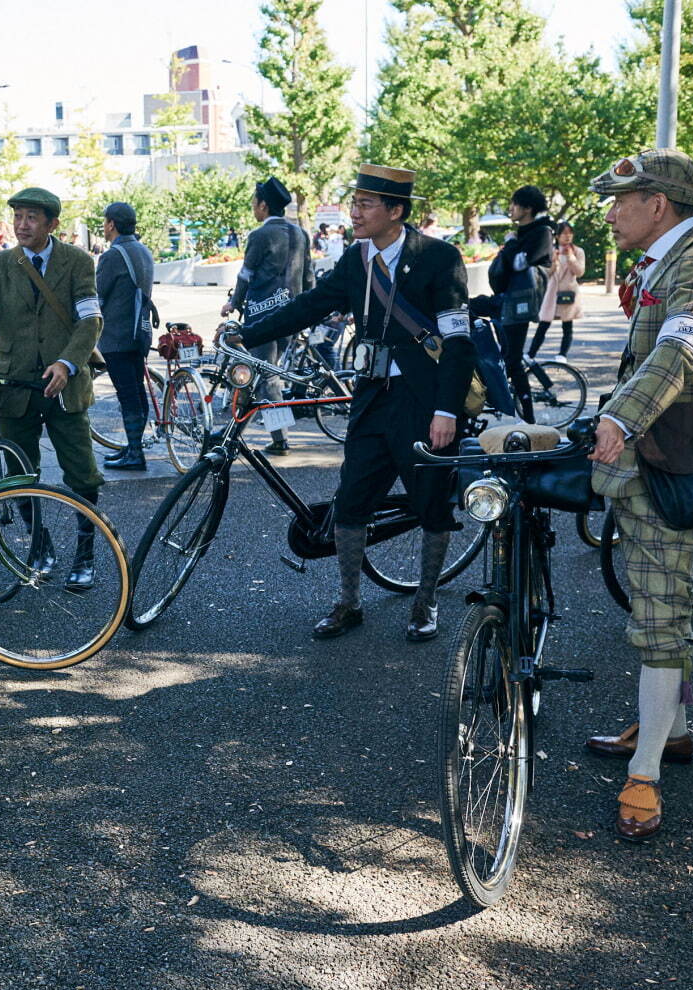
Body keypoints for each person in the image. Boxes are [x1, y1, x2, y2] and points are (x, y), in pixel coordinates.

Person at [225, 164, 476, 643]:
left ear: (396, 211)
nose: (353, 213)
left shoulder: (439, 258)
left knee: (431, 503)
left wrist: (447, 410)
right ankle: (348, 601)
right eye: (354, 203)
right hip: (371, 396)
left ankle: (426, 600)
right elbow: (310, 305)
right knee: (352, 501)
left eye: (365, 205)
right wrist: (246, 334)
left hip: (424, 402)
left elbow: (459, 341)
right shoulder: (357, 260)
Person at [583, 148, 693, 841]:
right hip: (665, 456)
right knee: (666, 600)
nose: (611, 213)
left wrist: (621, 414)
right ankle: (669, 729)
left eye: (622, 201)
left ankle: (644, 772)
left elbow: (678, 348)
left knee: (657, 614)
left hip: (670, 462)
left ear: (658, 205)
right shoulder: (677, 256)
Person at [0, 187, 105, 589]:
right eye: (18, 216)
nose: (22, 224)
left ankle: (85, 554)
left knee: (83, 475)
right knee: (19, 474)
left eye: (32, 217)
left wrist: (68, 363)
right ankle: (40, 547)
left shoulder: (78, 262)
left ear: (52, 224)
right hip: (13, 387)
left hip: (64, 388)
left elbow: (90, 320)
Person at [221, 176, 314, 454]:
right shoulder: (300, 234)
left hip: (263, 317)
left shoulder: (260, 235)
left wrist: (233, 303)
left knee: (268, 377)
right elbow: (308, 275)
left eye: (254, 202)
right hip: (293, 315)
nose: (253, 206)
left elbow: (246, 275)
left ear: (263, 205)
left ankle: (280, 438)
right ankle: (231, 432)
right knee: (254, 375)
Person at [481, 185, 553, 422]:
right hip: (507, 300)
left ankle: (527, 416)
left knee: (512, 360)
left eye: (514, 204)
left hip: (521, 304)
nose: (510, 209)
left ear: (528, 208)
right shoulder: (522, 234)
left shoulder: (541, 232)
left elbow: (520, 263)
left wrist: (510, 244)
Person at [95, 201, 155, 470]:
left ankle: (135, 454)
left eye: (106, 222)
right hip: (138, 334)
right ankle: (133, 448)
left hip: (116, 336)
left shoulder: (113, 255)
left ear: (112, 224)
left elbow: (98, 295)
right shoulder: (143, 250)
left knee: (128, 396)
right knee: (136, 393)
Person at [529, 221, 585, 362]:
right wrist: (553, 263)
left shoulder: (578, 251)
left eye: (570, 233)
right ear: (557, 236)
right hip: (552, 293)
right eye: (564, 233)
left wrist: (571, 257)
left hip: (569, 292)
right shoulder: (550, 251)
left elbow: (579, 272)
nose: (567, 236)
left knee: (567, 325)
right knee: (544, 324)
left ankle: (562, 355)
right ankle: (530, 354)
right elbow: (544, 273)